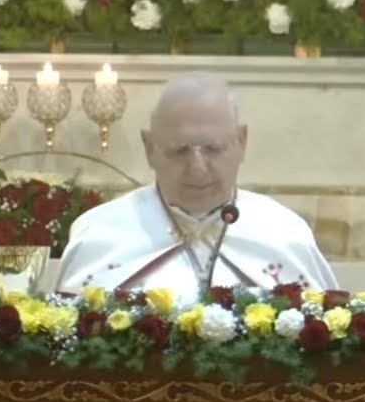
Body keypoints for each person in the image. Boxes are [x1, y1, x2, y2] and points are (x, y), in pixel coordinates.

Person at [55, 73, 338, 297]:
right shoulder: (99, 234)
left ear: (242, 142)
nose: (198, 168)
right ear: (150, 148)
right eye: (179, 150)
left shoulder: (284, 233)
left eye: (214, 148)